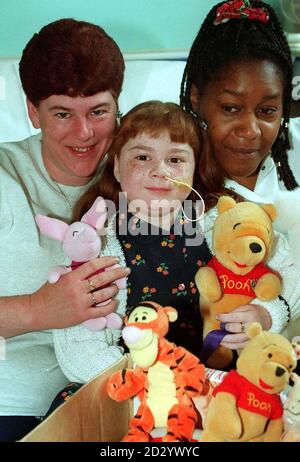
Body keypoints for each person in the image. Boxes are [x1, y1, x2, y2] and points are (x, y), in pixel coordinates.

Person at [0, 18, 131, 441]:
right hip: (13, 413)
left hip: (123, 407)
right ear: (32, 111)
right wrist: (40, 309)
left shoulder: (144, 176)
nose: (84, 133)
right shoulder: (5, 176)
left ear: (118, 106)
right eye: (62, 113)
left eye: (98, 111)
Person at [180, 0, 300, 349]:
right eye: (230, 108)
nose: (250, 130)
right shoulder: (172, 184)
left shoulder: (291, 159)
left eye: (267, 111)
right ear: (197, 98)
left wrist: (272, 312)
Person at [75, 100, 212, 357]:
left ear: (194, 168)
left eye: (175, 159)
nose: (160, 171)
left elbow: (286, 273)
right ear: (117, 166)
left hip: (208, 377)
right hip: (128, 380)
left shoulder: (214, 223)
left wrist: (265, 312)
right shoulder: (94, 243)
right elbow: (81, 349)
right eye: (142, 157)